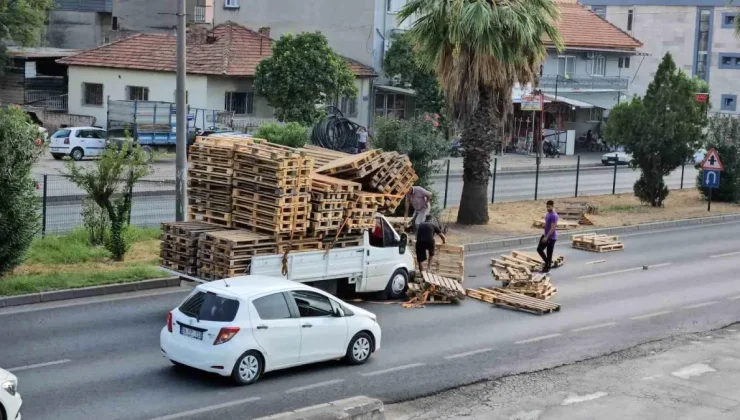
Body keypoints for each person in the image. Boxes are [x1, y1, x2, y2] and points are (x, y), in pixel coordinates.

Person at [537, 200, 558, 273]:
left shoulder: (554, 215)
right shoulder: (548, 214)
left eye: (549, 207)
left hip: (551, 238)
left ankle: (547, 267)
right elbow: (547, 223)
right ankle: (547, 262)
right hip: (545, 234)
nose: (548, 208)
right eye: (547, 207)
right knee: (539, 249)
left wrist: (547, 237)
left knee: (549, 253)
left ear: (552, 206)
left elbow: (553, 228)